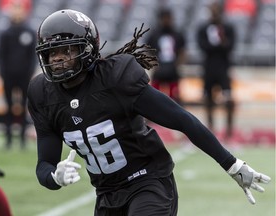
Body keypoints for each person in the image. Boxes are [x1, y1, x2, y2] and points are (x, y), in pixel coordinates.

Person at [27, 9, 270, 216]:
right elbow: (44, 164)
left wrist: (232, 164)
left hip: (148, 181)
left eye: (66, 50)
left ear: (87, 48)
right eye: (51, 52)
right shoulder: (42, 95)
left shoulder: (115, 80)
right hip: (106, 193)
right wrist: (54, 177)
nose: (57, 58)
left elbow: (181, 119)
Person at [0, 0, 36, 149]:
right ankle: (8, 139)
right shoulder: (5, 33)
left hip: (24, 76)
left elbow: (32, 56)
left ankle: (22, 139)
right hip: (8, 76)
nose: (17, 11)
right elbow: (1, 55)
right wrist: (3, 73)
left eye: (19, 8)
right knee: (8, 106)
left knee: (24, 105)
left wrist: (30, 72)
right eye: (14, 8)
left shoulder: (29, 32)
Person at [196, 1, 235, 140]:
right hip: (209, 68)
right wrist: (218, 46)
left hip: (223, 68)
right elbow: (202, 46)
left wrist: (222, 42)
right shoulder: (203, 28)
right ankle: (210, 128)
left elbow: (230, 46)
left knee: (229, 99)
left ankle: (229, 131)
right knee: (208, 98)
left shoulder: (228, 27)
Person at [146, 8, 186, 104]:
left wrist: (177, 64)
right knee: (154, 97)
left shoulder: (177, 34)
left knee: (175, 98)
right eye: (164, 18)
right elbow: (147, 50)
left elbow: (182, 51)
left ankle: (175, 117)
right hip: (159, 69)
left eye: (168, 18)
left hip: (172, 70)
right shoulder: (154, 35)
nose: (166, 20)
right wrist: (153, 65)